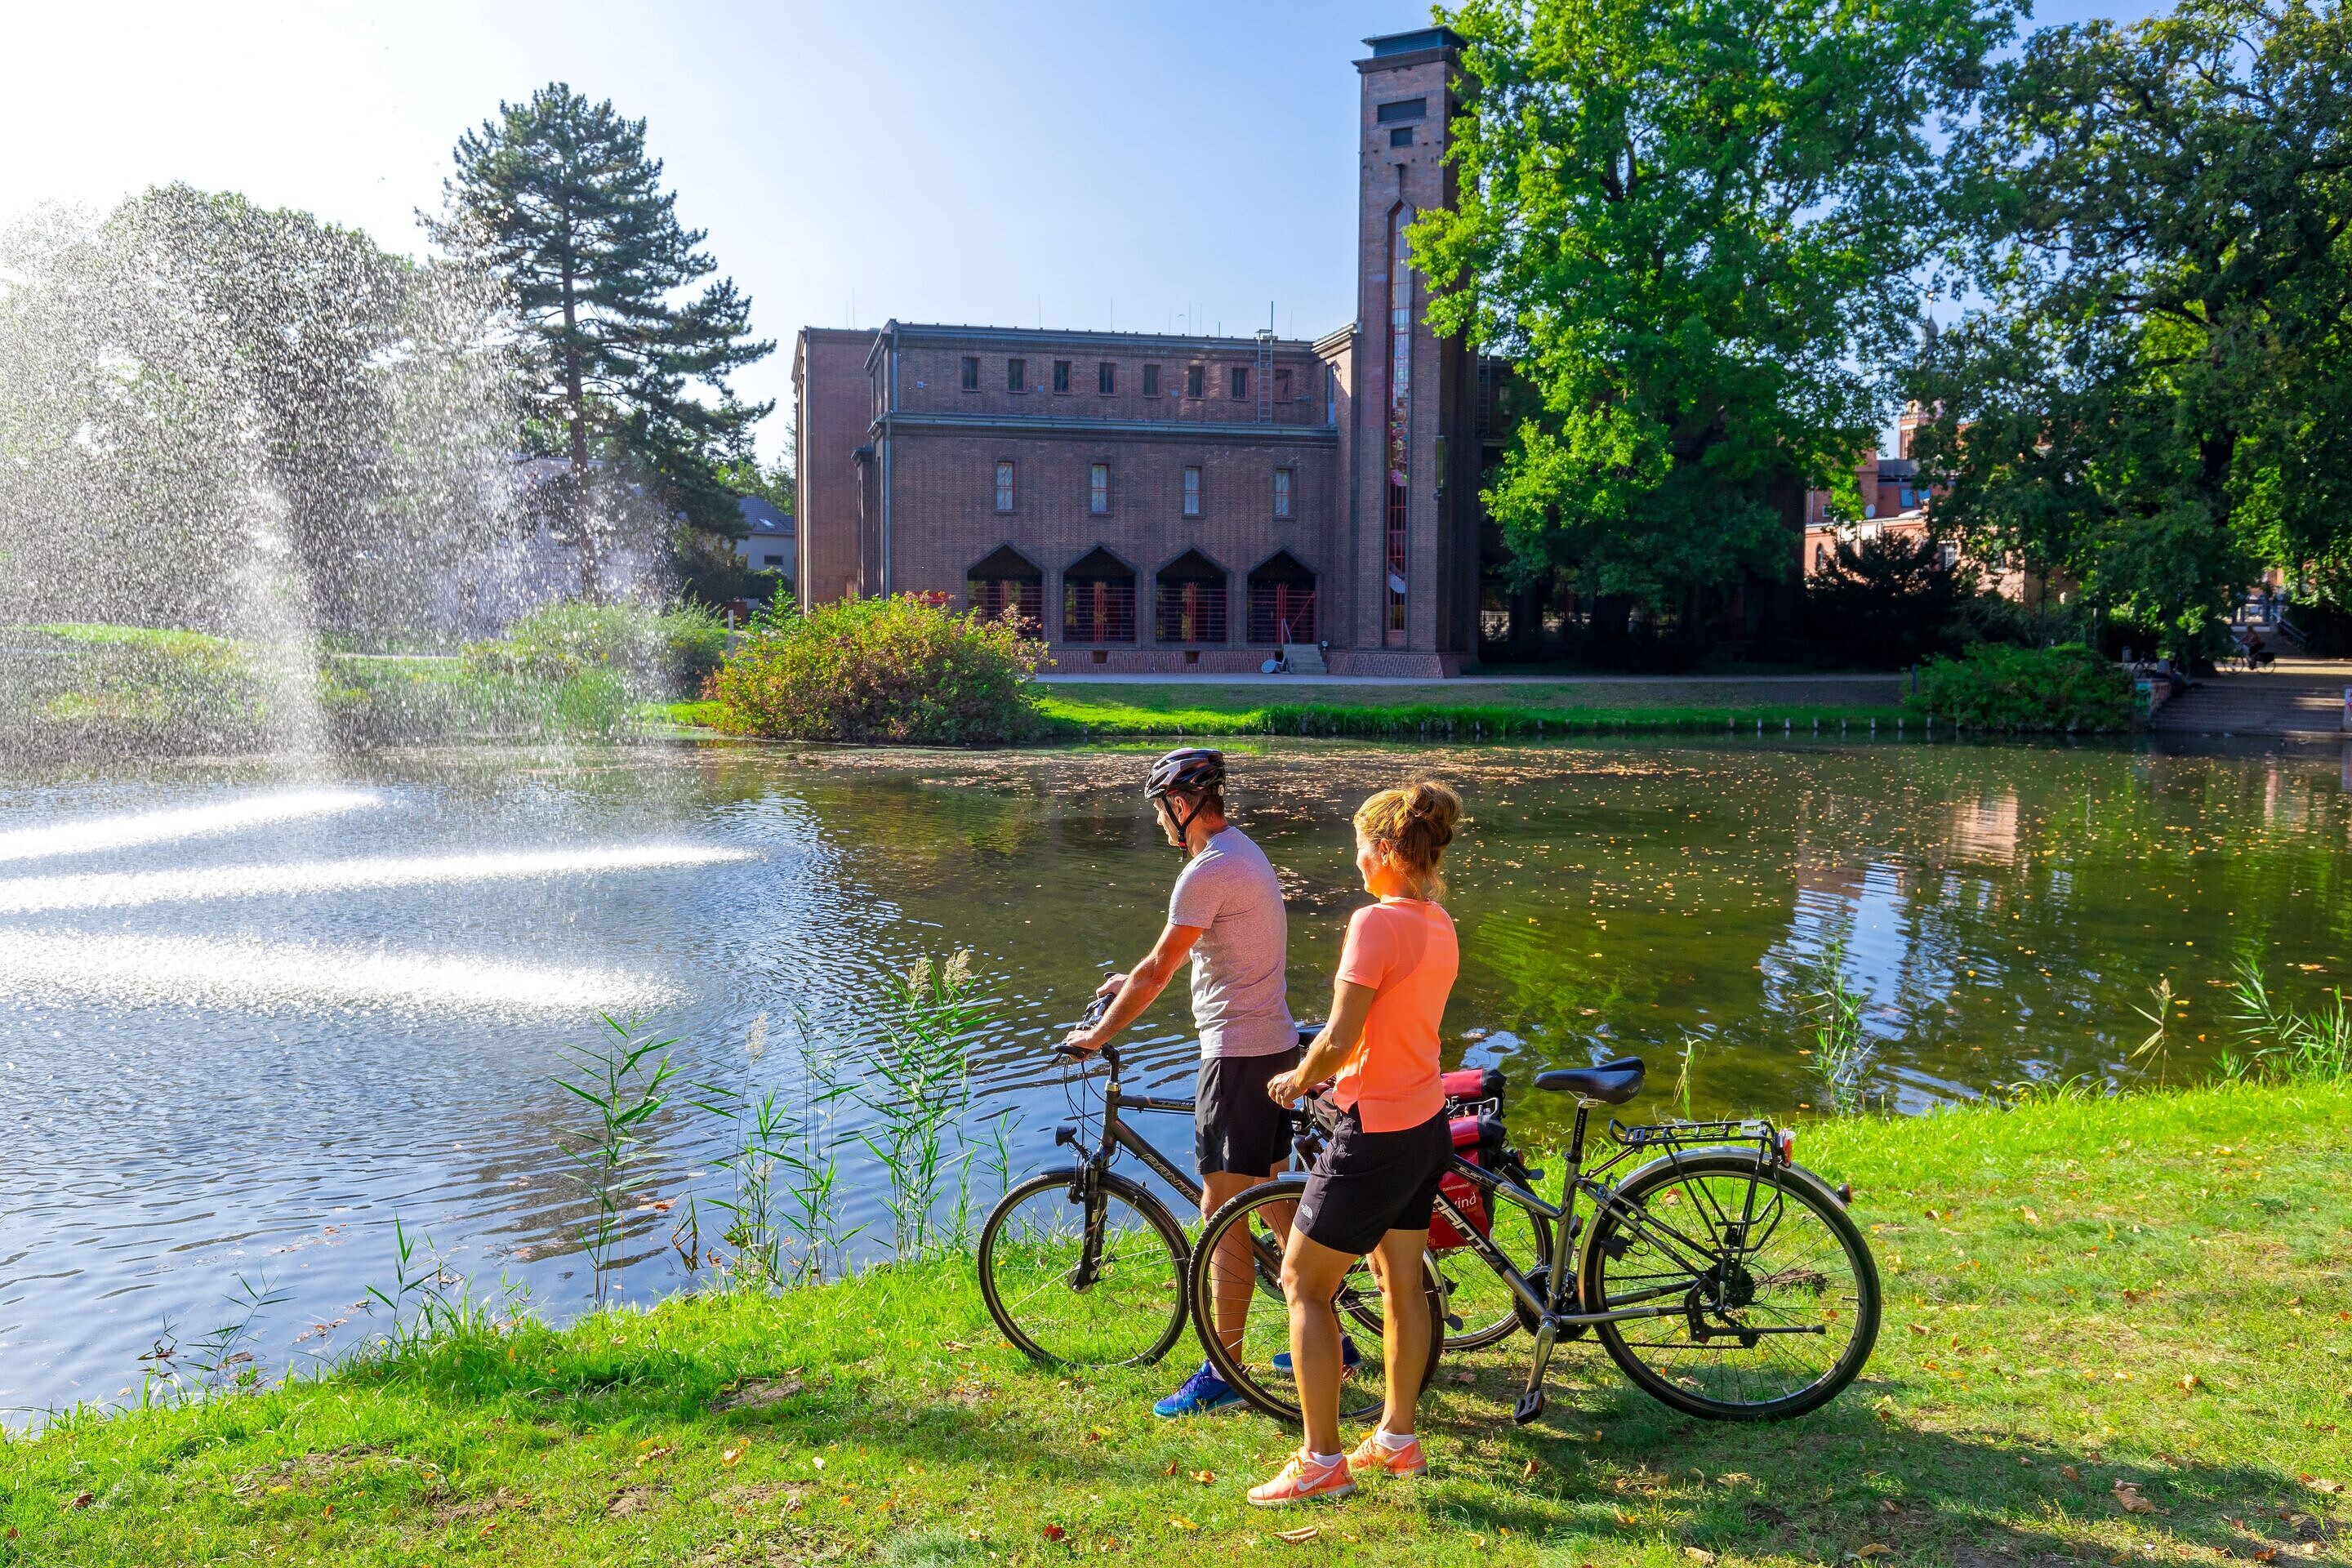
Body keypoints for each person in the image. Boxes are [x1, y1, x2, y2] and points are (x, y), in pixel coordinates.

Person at [1061, 747, 1302, 1418]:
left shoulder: (1206, 869)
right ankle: (1327, 1335)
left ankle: (1224, 1371)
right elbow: (1199, 950)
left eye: (1161, 809)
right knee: (1272, 1199)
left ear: (1180, 804)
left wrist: (1096, 1037)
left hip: (1237, 1057)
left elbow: (1158, 970)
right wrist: (1128, 982)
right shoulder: (1242, 852)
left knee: (1222, 1214)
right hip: (1273, 1046)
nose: (1159, 821)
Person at [1246, 781, 1463, 1508]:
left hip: (1376, 1130)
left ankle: (1321, 1461)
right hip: (1425, 1123)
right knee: (1401, 1284)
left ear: (1388, 851)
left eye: (1362, 848)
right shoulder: (1440, 922)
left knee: (1303, 1283)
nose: (1357, 862)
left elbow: (1340, 1039)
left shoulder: (1374, 923)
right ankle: (1397, 1439)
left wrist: (1298, 1079)